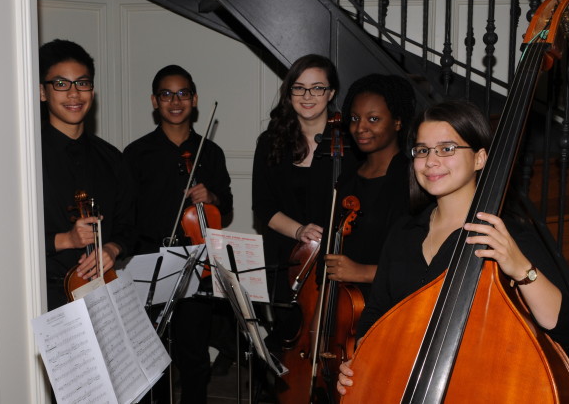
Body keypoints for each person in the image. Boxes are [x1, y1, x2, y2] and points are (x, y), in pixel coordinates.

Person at [337, 100, 569, 395]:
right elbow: (377, 312)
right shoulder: (404, 232)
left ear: (480, 159)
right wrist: (361, 357)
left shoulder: (505, 237)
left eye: (447, 148)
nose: (431, 161)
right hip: (401, 387)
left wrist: (521, 268)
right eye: (422, 150)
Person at [123, 64, 234, 403]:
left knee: (194, 354)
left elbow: (225, 210)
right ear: (155, 101)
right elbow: (125, 215)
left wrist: (211, 197)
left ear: (194, 99)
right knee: (150, 354)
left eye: (183, 93)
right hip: (149, 260)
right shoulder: (136, 153)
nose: (175, 101)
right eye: (167, 94)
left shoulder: (210, 154)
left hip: (195, 264)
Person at [252, 54, 357, 348]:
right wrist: (299, 231)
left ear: (331, 92)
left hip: (336, 259)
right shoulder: (270, 141)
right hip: (286, 261)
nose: (307, 96)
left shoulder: (349, 143)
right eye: (299, 88)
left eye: (317, 88)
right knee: (288, 342)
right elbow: (263, 205)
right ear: (289, 93)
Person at [40, 39, 135, 311]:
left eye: (82, 83)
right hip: (43, 295)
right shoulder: (26, 157)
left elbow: (130, 226)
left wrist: (112, 249)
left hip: (103, 293)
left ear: (92, 91)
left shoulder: (112, 158)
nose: (74, 94)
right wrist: (65, 240)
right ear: (42, 92)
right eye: (61, 84)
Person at [323, 74, 415, 300]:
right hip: (341, 306)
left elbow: (419, 265)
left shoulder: (413, 180)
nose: (359, 128)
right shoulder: (347, 178)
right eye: (354, 118)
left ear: (397, 122)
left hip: (388, 307)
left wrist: (363, 272)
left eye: (373, 119)